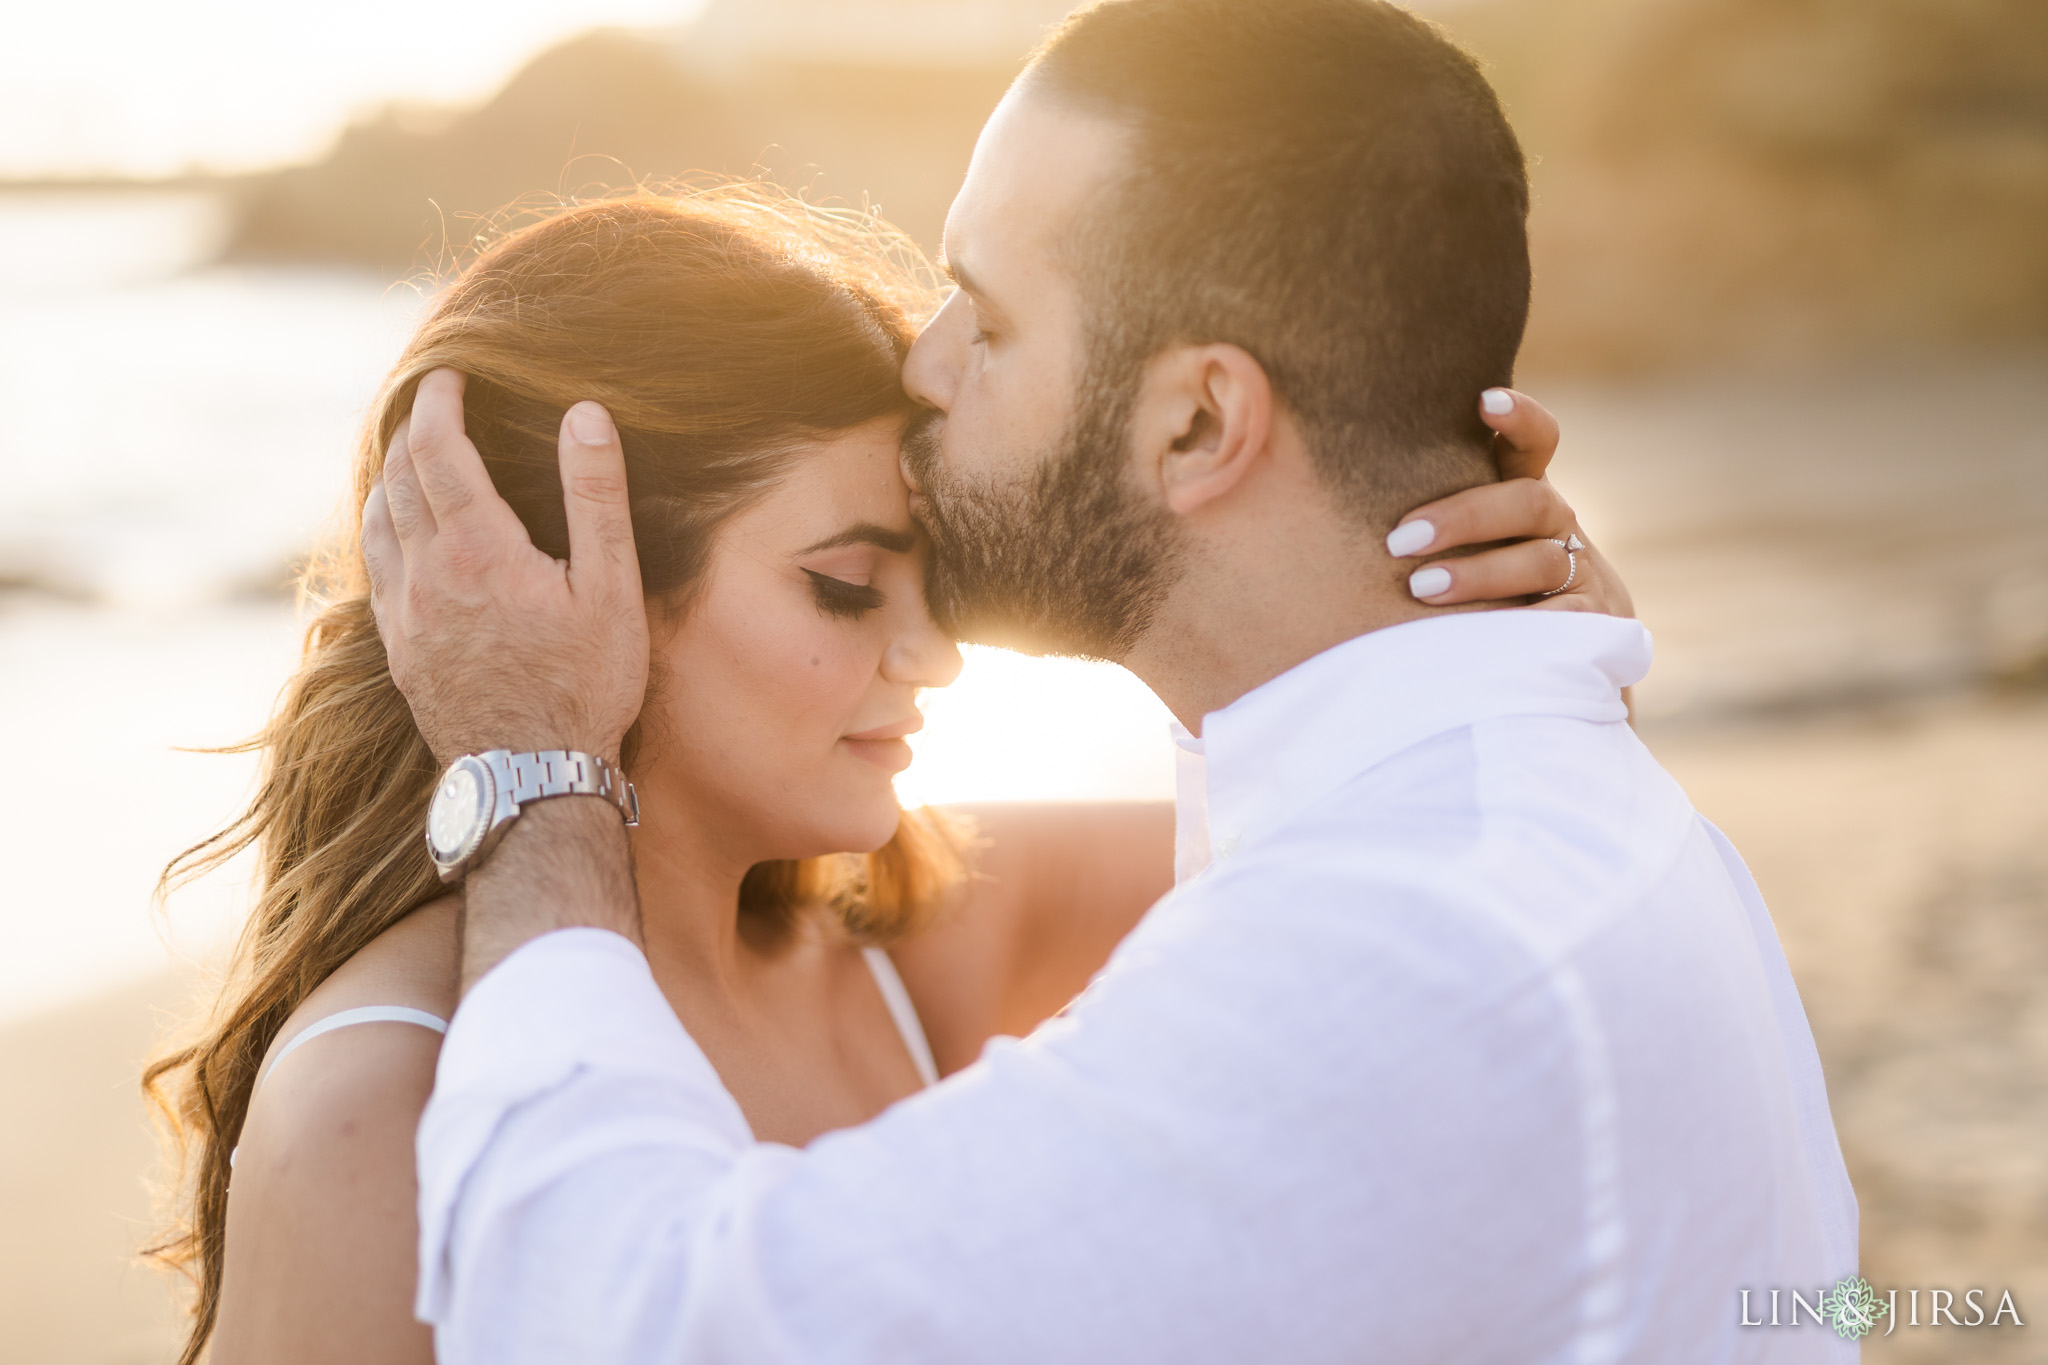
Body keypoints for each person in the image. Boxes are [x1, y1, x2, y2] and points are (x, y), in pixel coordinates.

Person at [368, 0, 1857, 1361]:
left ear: (1204, 424)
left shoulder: (1396, 962)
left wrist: (531, 761)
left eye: (992, 319)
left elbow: (615, 1319)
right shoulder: (1515, 808)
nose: (929, 368)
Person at [143, 187, 1606, 1364]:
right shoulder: (377, 1105)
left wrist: (1476, 605)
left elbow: (1378, 851)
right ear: (547, 593)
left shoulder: (918, 935)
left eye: (933, 588)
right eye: (846, 588)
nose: (934, 659)